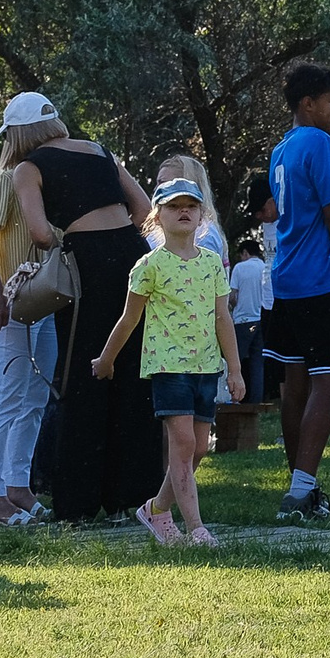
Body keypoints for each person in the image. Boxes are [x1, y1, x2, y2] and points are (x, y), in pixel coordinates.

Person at [15, 109, 158, 525]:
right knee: (133, 372)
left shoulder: (29, 168)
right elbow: (144, 209)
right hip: (131, 254)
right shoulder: (99, 151)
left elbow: (40, 233)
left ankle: (77, 502)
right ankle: (131, 496)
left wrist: (68, 237)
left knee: (83, 373)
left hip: (86, 264)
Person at [94, 178, 242, 546]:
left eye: (191, 206)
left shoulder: (212, 264)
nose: (183, 212)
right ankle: (196, 528)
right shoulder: (149, 265)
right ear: (157, 216)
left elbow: (223, 318)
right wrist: (107, 359)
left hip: (207, 367)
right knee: (183, 444)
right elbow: (129, 318)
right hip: (168, 367)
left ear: (202, 214)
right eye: (174, 206)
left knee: (199, 447)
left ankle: (157, 509)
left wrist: (235, 369)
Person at [261, 62, 330, 523]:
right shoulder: (318, 142)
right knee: (329, 381)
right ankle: (301, 487)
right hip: (320, 280)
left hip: (284, 279)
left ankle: (299, 484)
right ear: (308, 103)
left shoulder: (281, 148)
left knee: (295, 385)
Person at [0, 92, 66, 527]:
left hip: (42, 300)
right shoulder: (3, 181)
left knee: (34, 396)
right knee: (6, 396)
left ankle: (17, 486)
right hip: (10, 301)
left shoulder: (45, 181)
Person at [229, 235, 270, 413]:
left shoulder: (240, 268)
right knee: (257, 363)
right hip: (261, 319)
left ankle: (233, 398)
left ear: (245, 253)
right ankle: (256, 401)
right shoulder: (264, 267)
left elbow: (233, 296)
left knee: (235, 361)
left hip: (244, 321)